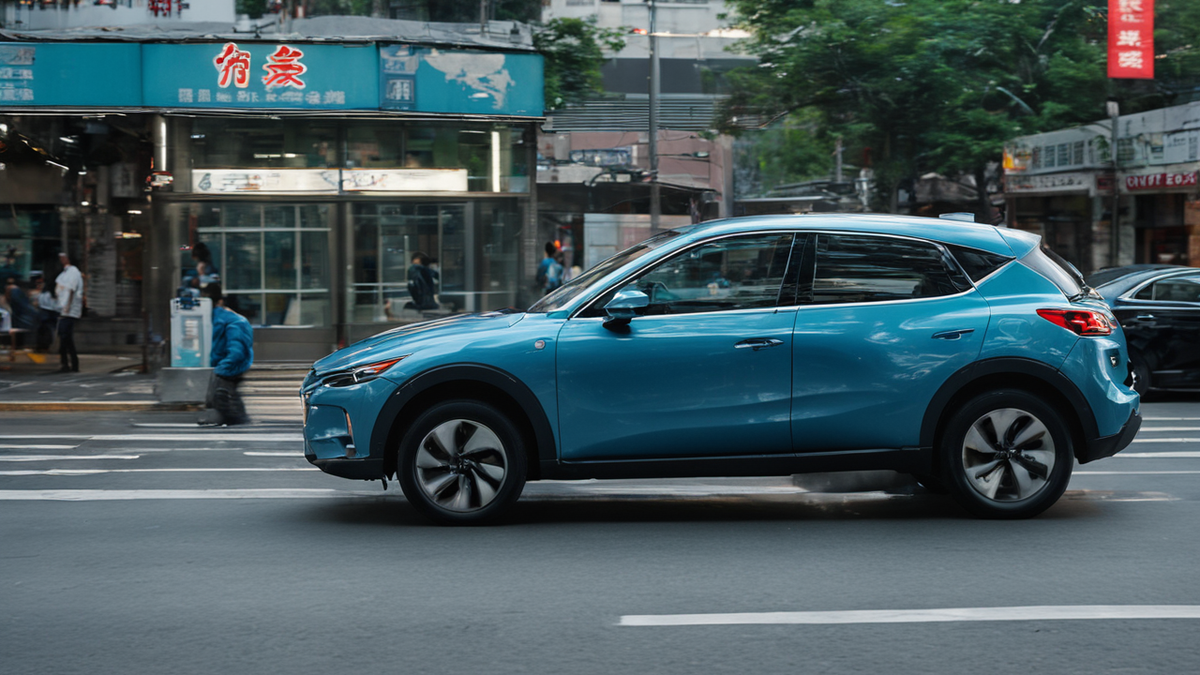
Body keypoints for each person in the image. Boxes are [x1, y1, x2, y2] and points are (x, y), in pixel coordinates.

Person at [198, 283, 253, 426]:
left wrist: (221, 369)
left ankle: (239, 421)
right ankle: (238, 421)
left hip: (227, 369)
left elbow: (236, 352)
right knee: (229, 397)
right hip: (225, 368)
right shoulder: (223, 319)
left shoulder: (231, 321)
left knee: (225, 398)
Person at [54, 252, 84, 373]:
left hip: (69, 311)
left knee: (65, 337)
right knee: (65, 337)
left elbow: (71, 290)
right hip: (65, 310)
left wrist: (67, 306)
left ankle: (69, 364)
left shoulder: (73, 273)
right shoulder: (66, 273)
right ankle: (69, 364)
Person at [33, 275, 58, 352]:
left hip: (42, 312)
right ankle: (46, 346)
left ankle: (40, 346)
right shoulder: (53, 295)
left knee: (42, 330)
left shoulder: (42, 294)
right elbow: (56, 306)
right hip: (51, 313)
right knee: (49, 330)